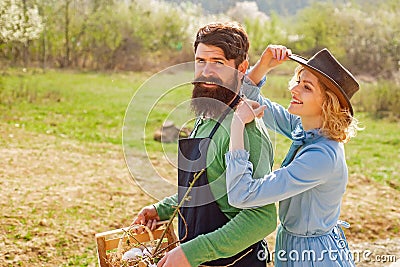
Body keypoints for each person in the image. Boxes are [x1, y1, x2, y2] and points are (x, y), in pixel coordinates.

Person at [132, 22, 277, 267]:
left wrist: (193, 253)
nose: (206, 71)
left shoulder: (246, 129)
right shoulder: (207, 115)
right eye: (200, 61)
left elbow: (261, 218)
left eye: (218, 63)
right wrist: (163, 209)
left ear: (241, 69)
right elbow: (207, 187)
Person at [225, 45, 360, 266]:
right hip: (294, 246)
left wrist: (237, 126)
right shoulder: (306, 129)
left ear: (328, 103)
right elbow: (249, 100)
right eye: (298, 81)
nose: (294, 90)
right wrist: (263, 65)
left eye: (306, 87)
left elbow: (242, 195)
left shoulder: (321, 157)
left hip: (313, 256)